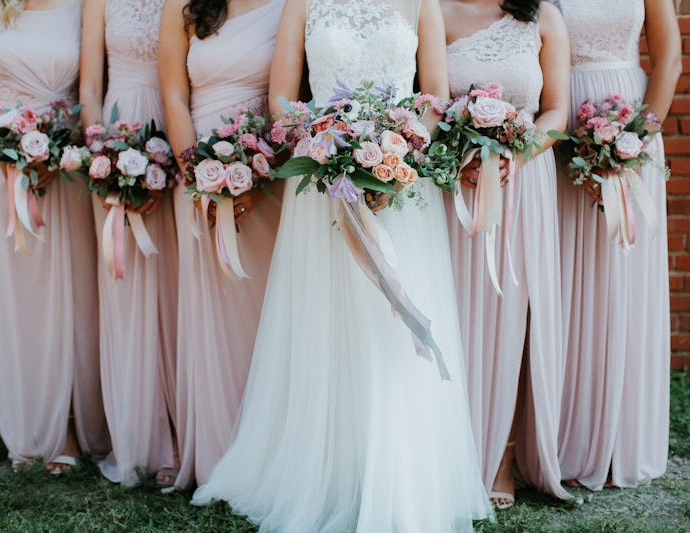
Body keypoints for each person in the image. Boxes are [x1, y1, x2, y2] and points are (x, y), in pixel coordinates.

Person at [191, 0, 492, 530]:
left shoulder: (422, 2)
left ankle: (396, 476)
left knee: (390, 331)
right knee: (326, 326)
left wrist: (397, 158)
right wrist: (334, 151)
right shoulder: (302, 2)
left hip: (399, 184)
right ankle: (325, 475)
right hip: (323, 183)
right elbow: (282, 99)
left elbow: (434, 99)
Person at [0, 0, 109, 473]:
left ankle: (70, 424)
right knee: (21, 296)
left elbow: (88, 89)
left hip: (65, 167)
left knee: (73, 297)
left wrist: (83, 155)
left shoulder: (83, 5)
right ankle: (31, 422)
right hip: (5, 170)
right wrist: (7, 154)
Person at [442, 0, 572, 507]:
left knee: (516, 317)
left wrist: (512, 156)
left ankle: (505, 458)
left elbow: (557, 110)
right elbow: (427, 99)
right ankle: (452, 447)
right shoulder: (436, 11)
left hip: (523, 182)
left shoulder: (542, 15)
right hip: (458, 184)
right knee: (457, 314)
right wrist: (460, 157)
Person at [554, 0, 681, 490]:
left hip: (631, 119)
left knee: (624, 274)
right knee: (568, 275)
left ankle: (623, 437)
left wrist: (636, 141)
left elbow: (669, 59)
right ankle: (566, 437)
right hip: (564, 121)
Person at [157, 0, 284, 489]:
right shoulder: (183, 7)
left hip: (269, 174)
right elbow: (173, 96)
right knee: (215, 309)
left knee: (268, 312)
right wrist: (200, 178)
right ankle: (217, 452)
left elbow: (294, 94)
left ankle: (271, 455)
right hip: (201, 176)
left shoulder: (291, 5)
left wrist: (259, 169)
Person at [79, 0, 179, 487]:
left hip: (174, 121)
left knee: (177, 281)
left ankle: (183, 436)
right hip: (121, 131)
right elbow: (90, 84)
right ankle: (138, 437)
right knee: (129, 283)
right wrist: (103, 154)